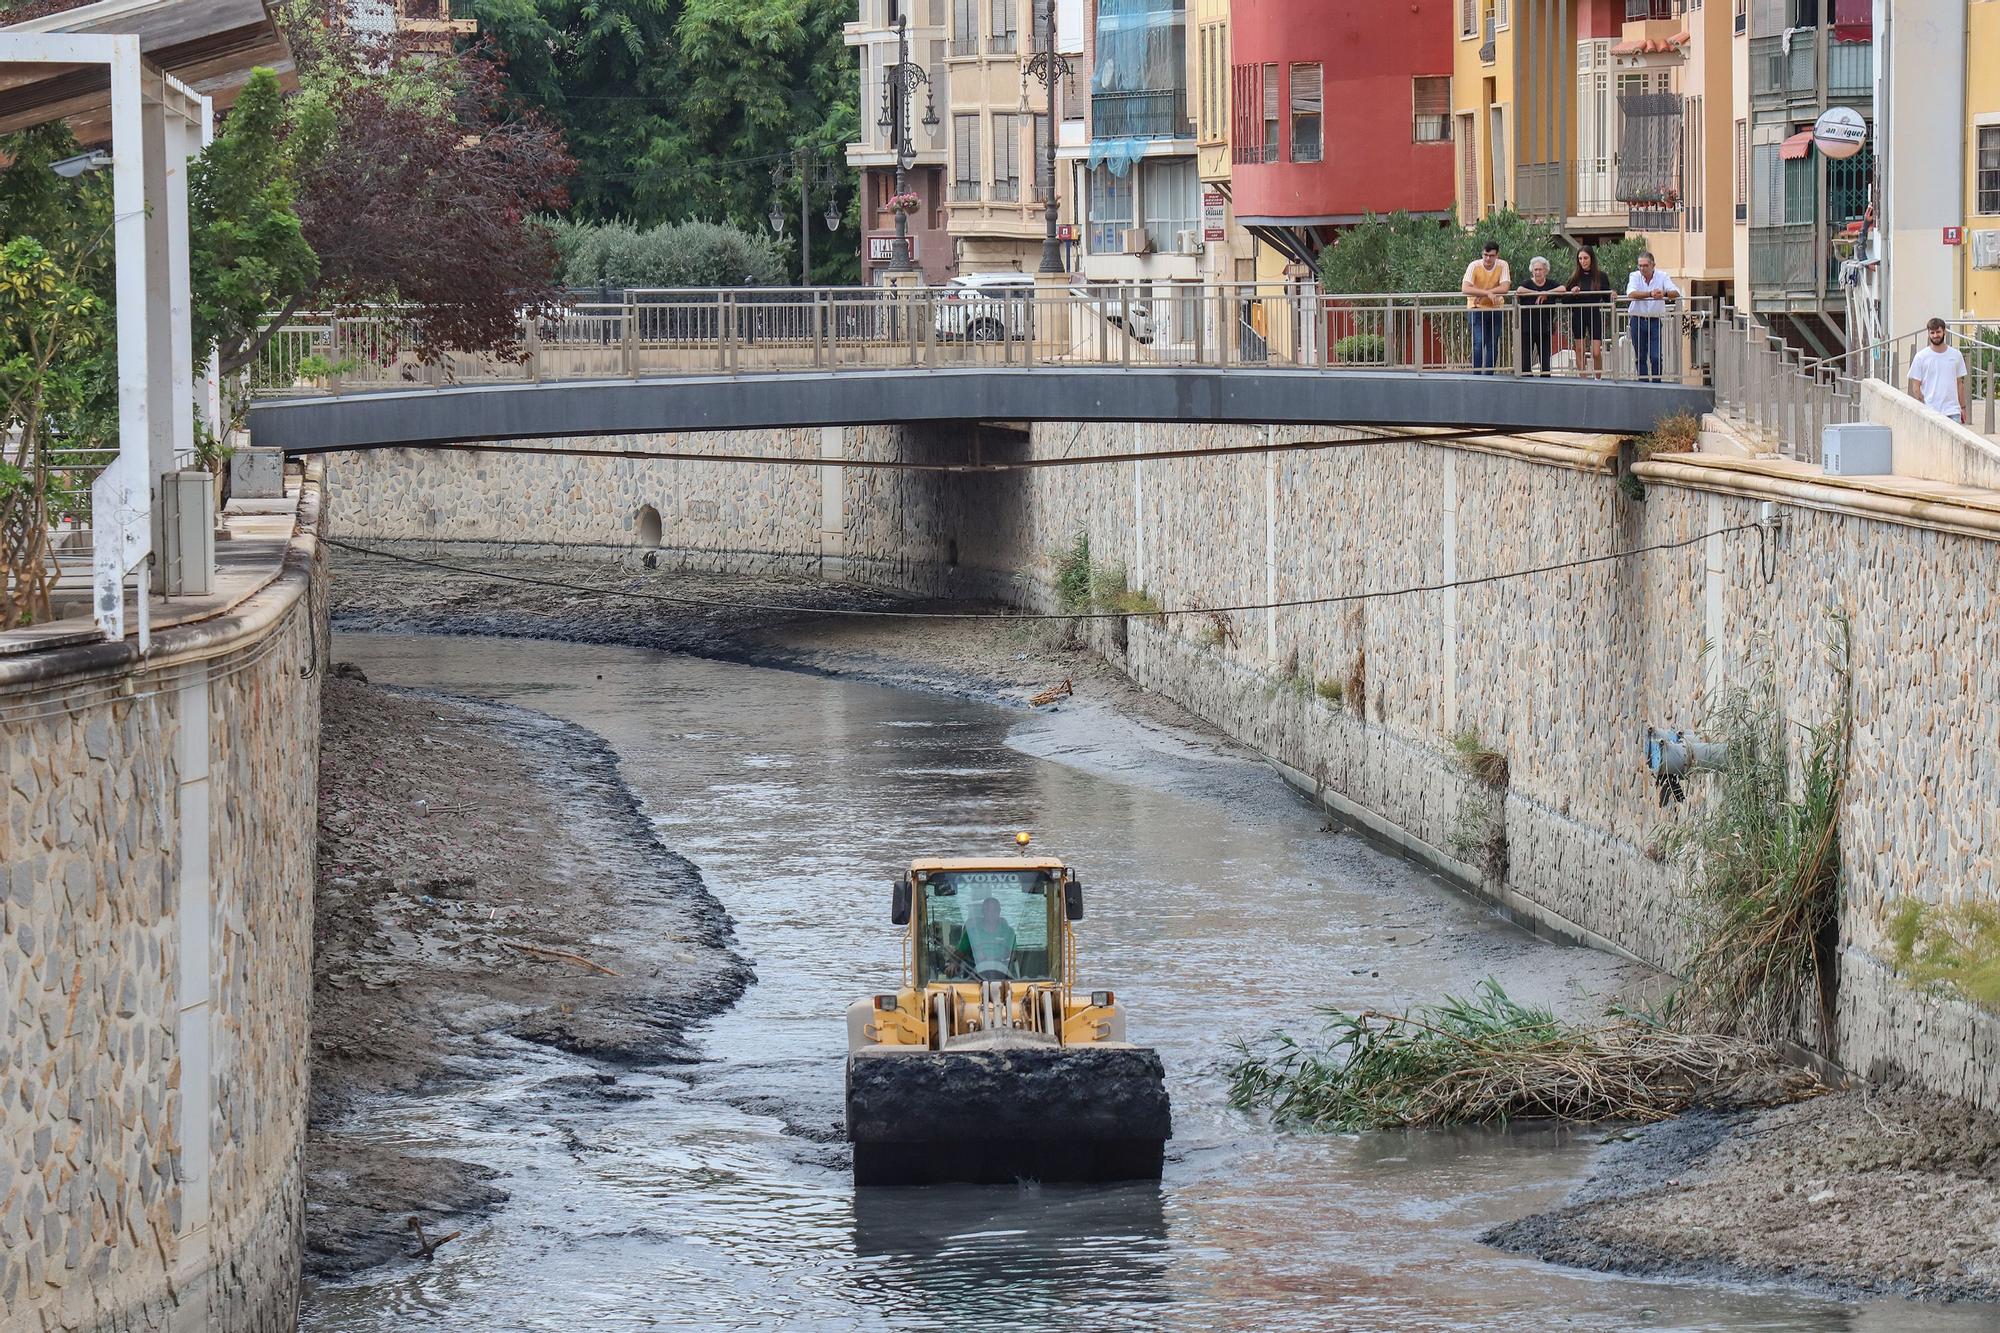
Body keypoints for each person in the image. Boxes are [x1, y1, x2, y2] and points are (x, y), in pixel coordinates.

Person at [1625, 250, 1681, 382]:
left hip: (1655, 320)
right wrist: (1650, 294)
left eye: (1645, 265)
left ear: (1653, 265)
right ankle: (1643, 384)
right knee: (1640, 355)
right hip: (1637, 319)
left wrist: (1664, 294)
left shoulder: (1662, 276)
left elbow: (1676, 292)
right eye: (1640, 266)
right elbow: (1631, 293)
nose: (1642, 268)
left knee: (1656, 356)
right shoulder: (1634, 275)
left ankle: (1657, 383)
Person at [1561, 245, 1612, 379]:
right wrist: (1572, 293)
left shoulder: (1601, 276)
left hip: (1594, 314)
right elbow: (1565, 300)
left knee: (1596, 352)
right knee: (1579, 349)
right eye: (1580, 259)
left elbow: (1607, 298)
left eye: (1585, 258)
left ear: (1591, 259)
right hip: (1578, 315)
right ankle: (1583, 379)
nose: (1583, 261)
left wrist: (1612, 294)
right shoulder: (1574, 277)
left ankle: (1598, 378)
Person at [1461, 241, 1511, 374]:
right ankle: (1476, 374)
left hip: (1495, 308)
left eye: (1491, 255)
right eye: (1485, 255)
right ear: (1482, 254)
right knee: (1478, 341)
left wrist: (1484, 294)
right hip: (1476, 308)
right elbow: (1465, 288)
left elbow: (1505, 288)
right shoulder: (1474, 266)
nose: (1488, 258)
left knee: (1493, 343)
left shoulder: (1503, 265)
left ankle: (1489, 374)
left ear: (1497, 256)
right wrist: (1488, 293)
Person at [1908, 318, 1970, 423]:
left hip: (1953, 412)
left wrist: (1963, 408)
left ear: (1944, 332)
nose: (1935, 335)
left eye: (1938, 332)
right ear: (1928, 334)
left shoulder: (1956, 355)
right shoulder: (1921, 357)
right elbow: (1916, 386)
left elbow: (1960, 384)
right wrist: (1924, 406)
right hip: (1930, 412)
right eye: (1932, 333)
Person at [1517, 256, 1559, 377]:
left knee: (1545, 358)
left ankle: (1545, 380)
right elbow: (1519, 290)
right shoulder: (1527, 283)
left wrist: (1547, 293)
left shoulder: (1550, 284)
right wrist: (1537, 293)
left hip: (1544, 327)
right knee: (1526, 358)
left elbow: (1562, 289)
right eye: (1535, 270)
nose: (1538, 272)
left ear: (1545, 270)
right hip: (1527, 327)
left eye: (1540, 269)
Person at [955, 896, 1017, 978]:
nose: (991, 913)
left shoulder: (1009, 932)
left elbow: (1014, 955)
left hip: (1003, 972)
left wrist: (1003, 958)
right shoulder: (971, 933)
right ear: (983, 912)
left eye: (994, 910)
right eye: (988, 910)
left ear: (999, 911)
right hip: (975, 973)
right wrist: (954, 963)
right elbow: (960, 953)